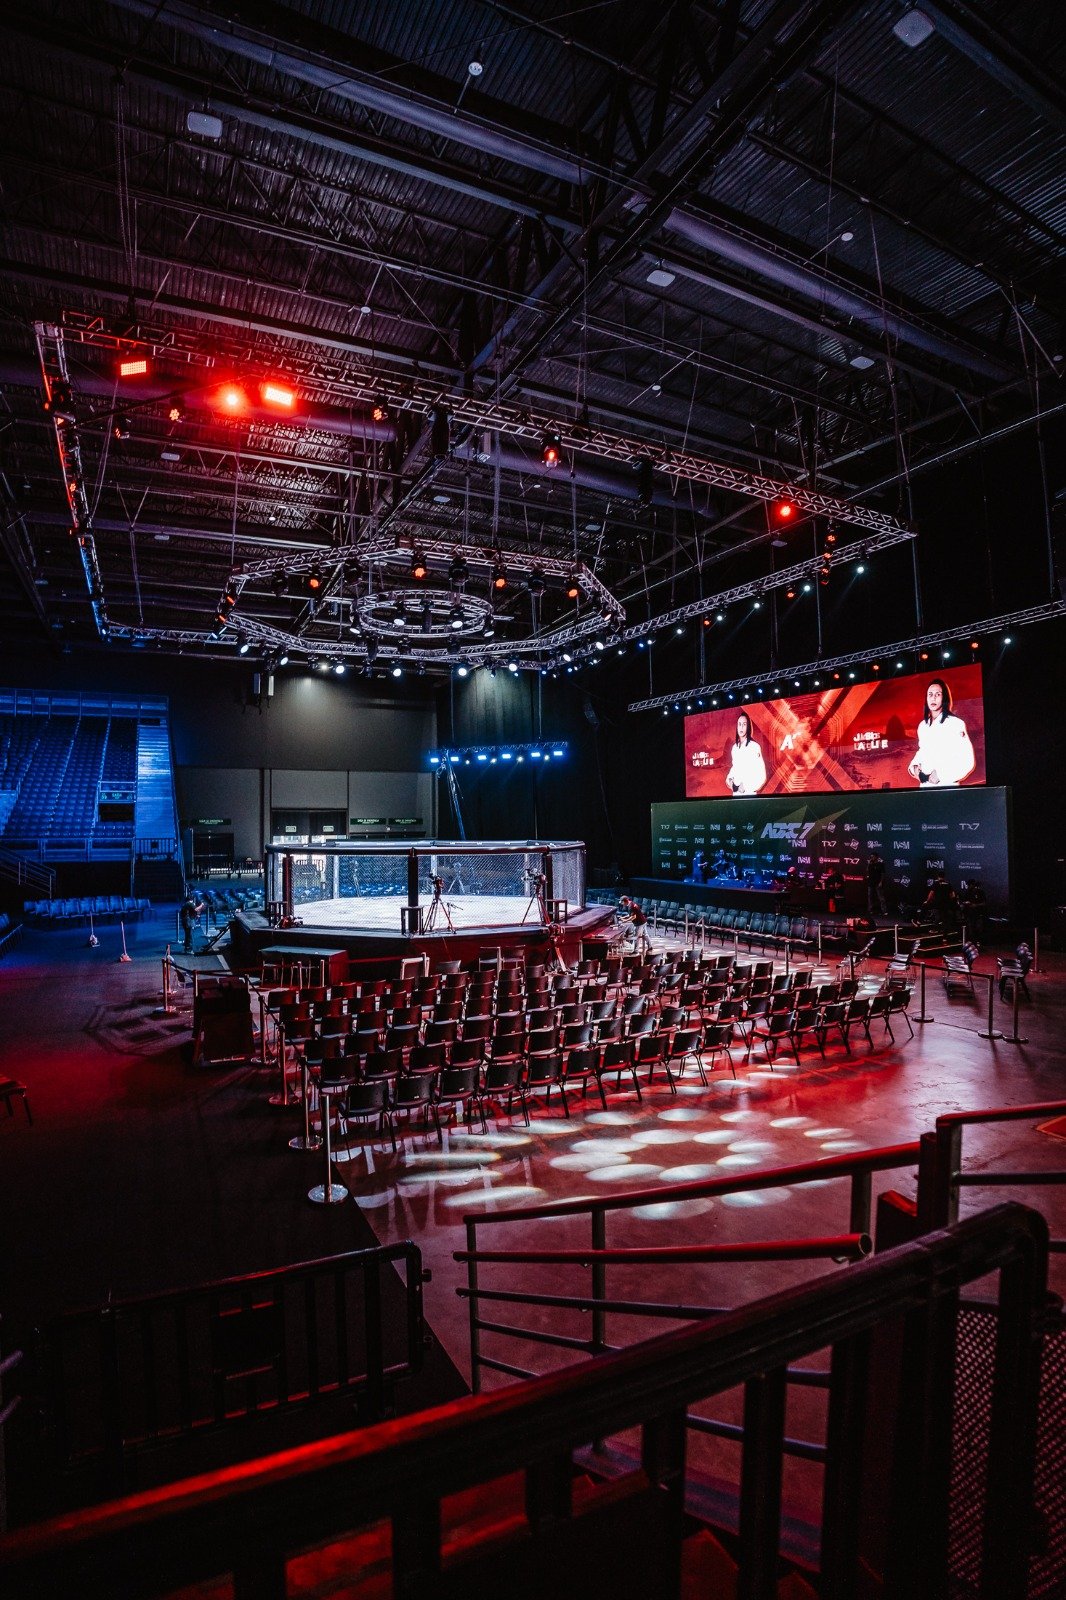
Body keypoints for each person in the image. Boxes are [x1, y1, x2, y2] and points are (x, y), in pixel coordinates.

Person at [907, 679, 975, 788]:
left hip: (947, 787)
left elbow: (967, 761)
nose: (933, 698)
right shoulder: (923, 726)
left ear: (944, 698)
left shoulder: (955, 723)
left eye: (938, 694)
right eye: (930, 694)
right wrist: (914, 767)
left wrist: (941, 775)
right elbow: (923, 751)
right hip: (924, 788)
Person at [726, 712, 767, 796]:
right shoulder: (735, 748)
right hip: (736, 795)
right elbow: (735, 768)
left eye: (744, 724)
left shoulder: (754, 747)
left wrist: (746, 786)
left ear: (748, 727)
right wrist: (729, 780)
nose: (741, 727)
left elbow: (762, 775)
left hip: (749, 794)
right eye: (739, 724)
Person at [867, 850, 887, 917]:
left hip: (878, 883)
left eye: (873, 856)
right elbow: (867, 871)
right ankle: (870, 910)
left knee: (881, 898)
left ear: (876, 857)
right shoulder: (870, 864)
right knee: (870, 897)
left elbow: (883, 874)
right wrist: (869, 864)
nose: (872, 858)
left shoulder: (881, 864)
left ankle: (884, 911)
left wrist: (881, 882)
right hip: (871, 883)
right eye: (871, 857)